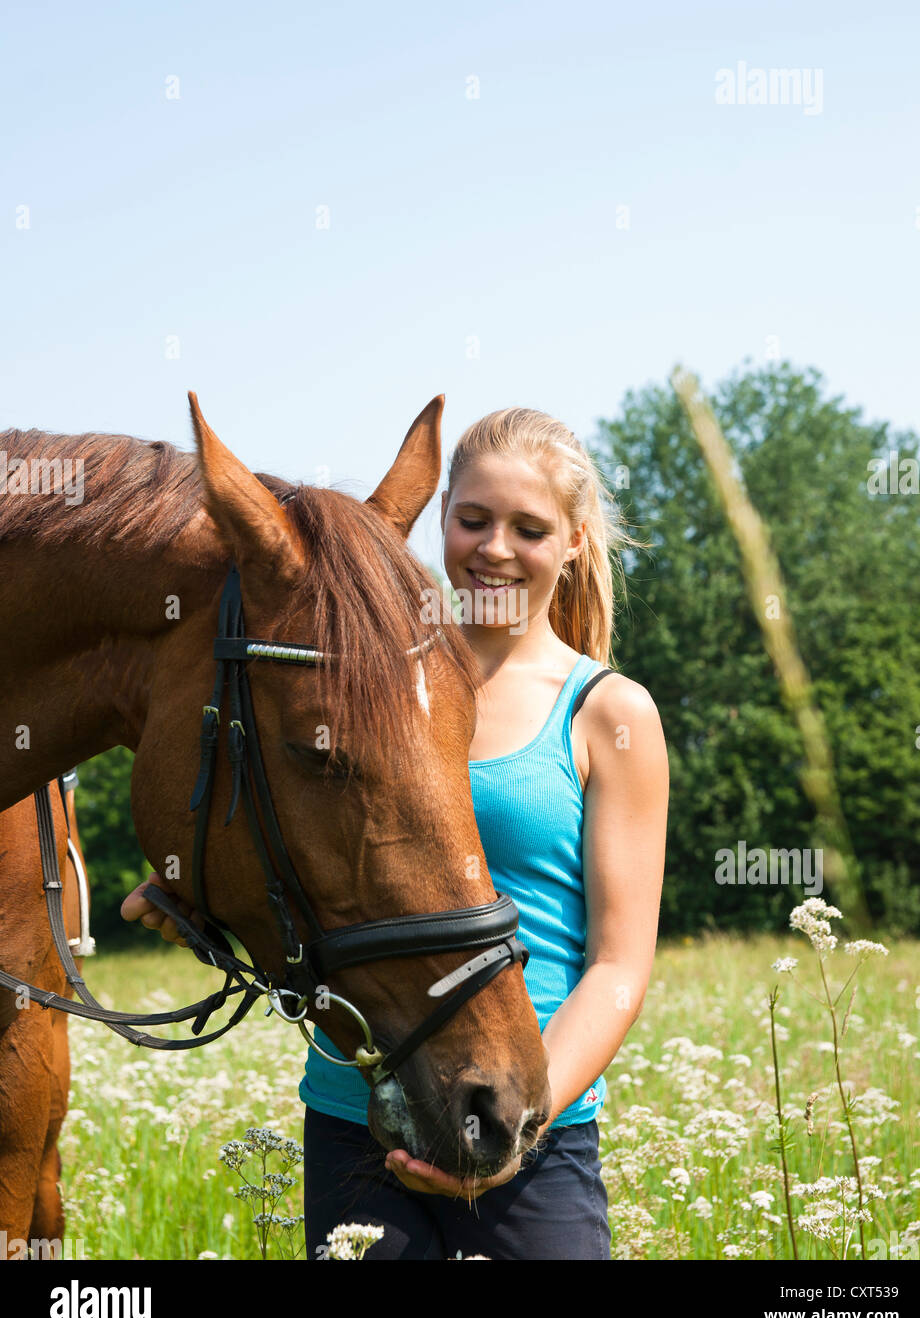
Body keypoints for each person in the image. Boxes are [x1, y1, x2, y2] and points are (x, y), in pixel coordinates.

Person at [122, 405, 668, 1261]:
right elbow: (310, 839)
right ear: (440, 518)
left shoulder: (608, 713)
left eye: (528, 528)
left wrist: (522, 1122)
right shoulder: (370, 683)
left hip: (528, 1115)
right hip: (356, 1115)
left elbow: (618, 965)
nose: (493, 547)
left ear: (571, 542)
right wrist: (195, 893)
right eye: (474, 519)